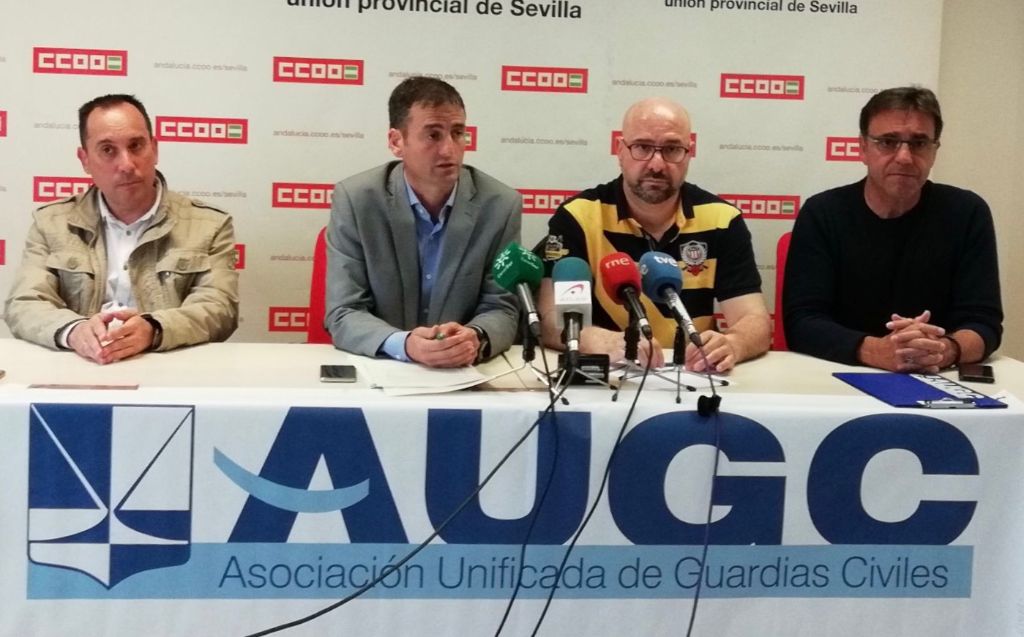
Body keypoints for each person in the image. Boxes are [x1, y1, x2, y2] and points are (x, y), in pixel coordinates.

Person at [535, 97, 771, 372]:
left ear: (689, 154)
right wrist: (598, 340)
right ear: (620, 151)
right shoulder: (579, 216)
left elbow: (754, 320)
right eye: (643, 147)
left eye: (672, 149)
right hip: (607, 375)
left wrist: (734, 343)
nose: (656, 164)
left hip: (693, 374)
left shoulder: (722, 220)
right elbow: (552, 318)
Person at [4, 94, 239, 364]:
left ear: (155, 149)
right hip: (78, 368)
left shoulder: (209, 225)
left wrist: (154, 329)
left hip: (168, 369)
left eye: (136, 145)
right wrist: (74, 331)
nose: (126, 164)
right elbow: (25, 303)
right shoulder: (51, 223)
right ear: (84, 160)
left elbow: (220, 309)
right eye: (107, 150)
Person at [783, 86, 1002, 373]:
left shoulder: (968, 212)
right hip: (839, 374)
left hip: (938, 375)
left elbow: (984, 323)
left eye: (919, 143)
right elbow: (801, 322)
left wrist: (944, 350)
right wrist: (877, 351)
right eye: (888, 141)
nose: (904, 157)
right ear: (863, 148)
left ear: (935, 150)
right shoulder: (823, 213)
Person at [325, 76, 521, 368]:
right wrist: (405, 344)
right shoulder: (357, 200)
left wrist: (474, 337)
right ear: (396, 142)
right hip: (382, 369)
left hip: (463, 373)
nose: (449, 149)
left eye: (457, 133)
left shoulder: (500, 205)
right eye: (433, 135)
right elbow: (343, 311)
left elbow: (503, 308)